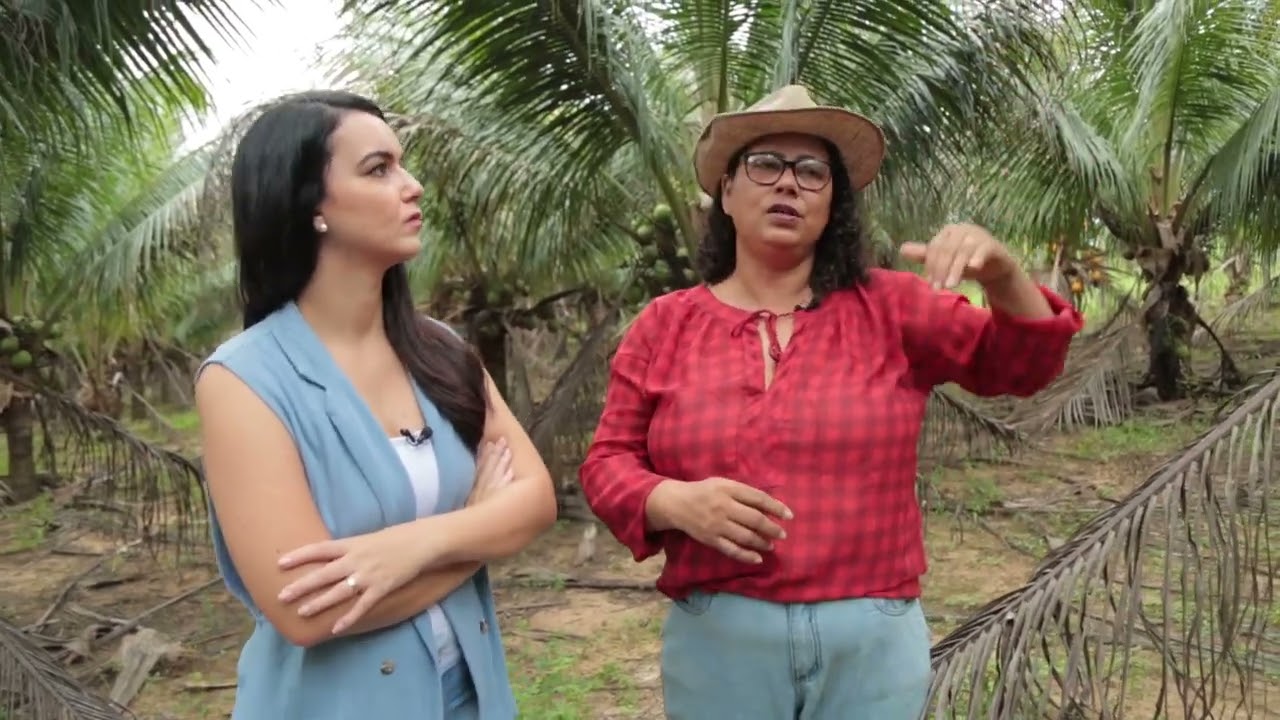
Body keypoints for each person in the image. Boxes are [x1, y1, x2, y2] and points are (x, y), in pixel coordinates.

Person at [578, 85, 1085, 719]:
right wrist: (670, 500)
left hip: (871, 641)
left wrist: (1004, 274)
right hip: (718, 640)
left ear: (833, 203)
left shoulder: (892, 307)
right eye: (766, 165)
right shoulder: (665, 324)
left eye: (812, 172)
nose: (788, 184)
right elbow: (607, 463)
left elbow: (1026, 364)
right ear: (727, 193)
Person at [195, 90, 557, 720]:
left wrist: (414, 547)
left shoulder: (439, 348)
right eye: (378, 169)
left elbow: (535, 502)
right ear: (311, 205)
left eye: (403, 165)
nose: (412, 187)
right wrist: (480, 529)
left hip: (472, 696)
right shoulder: (243, 378)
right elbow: (310, 610)